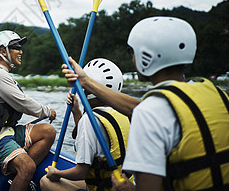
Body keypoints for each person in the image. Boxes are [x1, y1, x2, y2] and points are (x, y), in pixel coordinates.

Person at [63, 17, 229, 190]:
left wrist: (129, 189)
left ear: (146, 56)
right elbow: (143, 107)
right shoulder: (218, 94)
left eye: (133, 52)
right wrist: (86, 82)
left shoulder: (150, 112)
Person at [0, 30, 57, 191]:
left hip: (6, 131)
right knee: (28, 167)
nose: (21, 51)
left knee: (48, 131)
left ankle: (16, 179)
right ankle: (23, 173)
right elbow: (22, 102)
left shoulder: (0, 73)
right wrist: (46, 111)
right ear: (2, 51)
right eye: (16, 47)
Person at [41, 58, 132, 191]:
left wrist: (57, 173)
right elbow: (91, 138)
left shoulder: (89, 120)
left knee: (46, 181)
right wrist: (77, 111)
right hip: (122, 184)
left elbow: (81, 172)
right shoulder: (124, 112)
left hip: (104, 188)